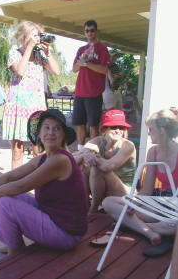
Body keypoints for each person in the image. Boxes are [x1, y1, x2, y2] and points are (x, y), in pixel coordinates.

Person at [0, 109, 88, 255]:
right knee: (5, 197)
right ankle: (14, 245)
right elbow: (8, 177)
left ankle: (15, 252)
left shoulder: (60, 160)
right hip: (54, 218)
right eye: (47, 127)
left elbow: (20, 186)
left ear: (63, 136)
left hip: (67, 234)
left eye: (57, 129)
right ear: (40, 134)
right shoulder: (42, 159)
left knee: (6, 203)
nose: (51, 132)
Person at [102, 108, 178, 245]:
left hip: (175, 206)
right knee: (109, 202)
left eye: (151, 129)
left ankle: (131, 225)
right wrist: (135, 203)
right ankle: (149, 231)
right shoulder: (153, 152)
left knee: (172, 225)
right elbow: (147, 190)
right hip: (157, 201)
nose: (148, 133)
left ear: (162, 131)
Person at [1, 21, 60, 169]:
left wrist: (47, 53)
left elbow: (56, 71)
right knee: (17, 151)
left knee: (39, 150)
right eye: (32, 35)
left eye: (37, 35)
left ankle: (40, 187)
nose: (36, 38)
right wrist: (29, 49)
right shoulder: (14, 53)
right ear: (23, 37)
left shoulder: (40, 55)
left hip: (36, 108)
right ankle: (15, 188)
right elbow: (20, 71)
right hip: (18, 107)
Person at [73, 109, 136, 214]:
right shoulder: (98, 141)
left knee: (97, 168)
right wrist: (84, 156)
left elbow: (108, 166)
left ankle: (93, 210)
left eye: (121, 127)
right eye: (113, 127)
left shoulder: (128, 146)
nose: (118, 130)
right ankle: (84, 205)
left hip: (125, 193)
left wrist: (93, 157)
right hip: (105, 189)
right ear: (105, 129)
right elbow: (73, 160)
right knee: (83, 167)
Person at [72, 19, 110, 151]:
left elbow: (104, 69)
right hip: (79, 93)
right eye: (87, 30)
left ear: (96, 31)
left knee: (93, 125)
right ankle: (80, 151)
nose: (89, 33)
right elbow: (74, 69)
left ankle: (93, 152)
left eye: (92, 30)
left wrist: (87, 64)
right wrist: (82, 58)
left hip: (94, 93)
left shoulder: (102, 49)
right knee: (80, 124)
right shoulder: (81, 49)